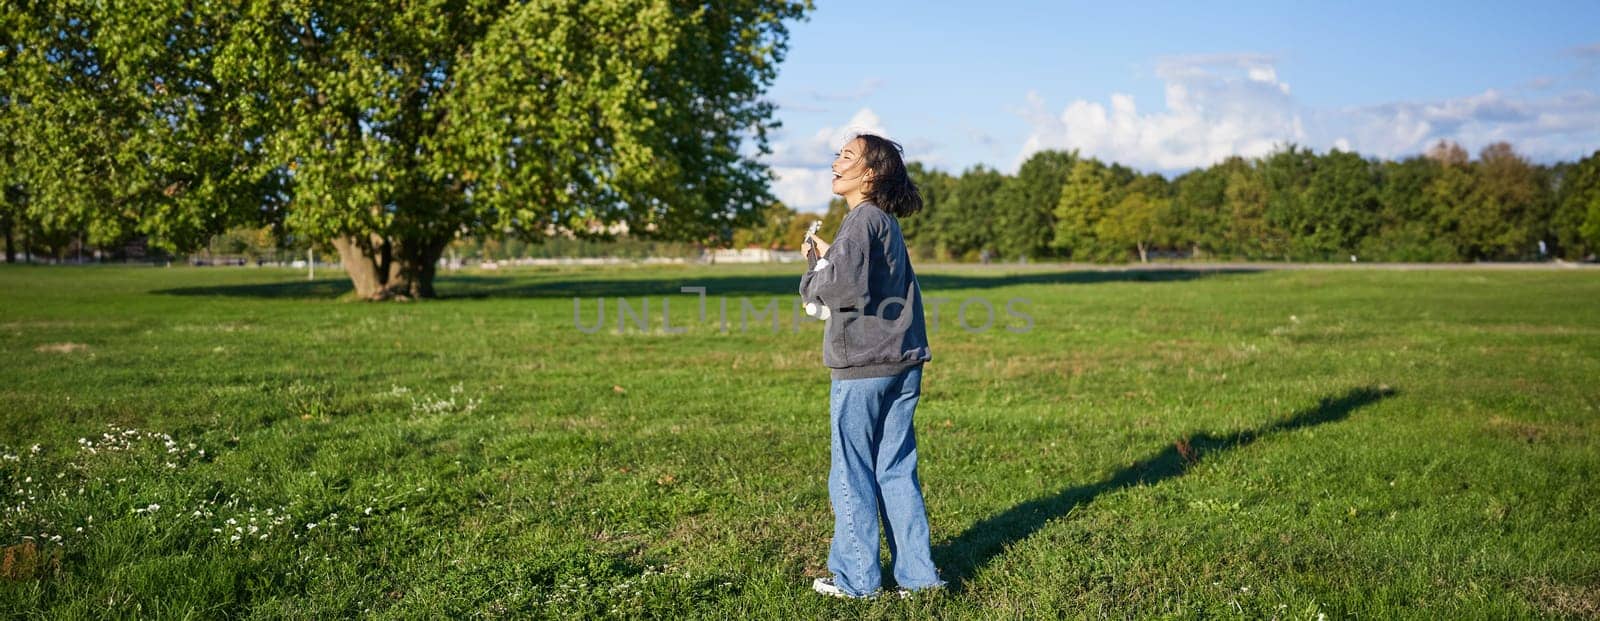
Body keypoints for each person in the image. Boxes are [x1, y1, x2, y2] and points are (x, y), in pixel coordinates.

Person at [799, 133, 944, 598]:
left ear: (871, 173)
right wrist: (831, 257)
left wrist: (813, 274)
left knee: (850, 471)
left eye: (847, 156)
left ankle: (857, 580)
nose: (836, 163)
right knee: (896, 469)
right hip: (902, 362)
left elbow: (841, 292)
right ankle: (920, 581)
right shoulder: (881, 222)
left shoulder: (861, 220)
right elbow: (863, 277)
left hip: (863, 367)